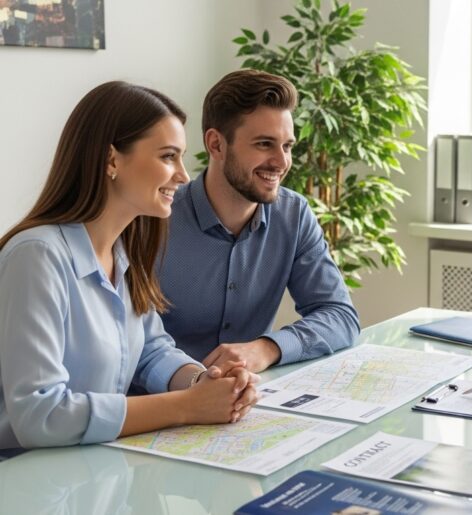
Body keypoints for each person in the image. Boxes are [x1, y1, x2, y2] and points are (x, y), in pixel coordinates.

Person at [0, 81, 258, 450]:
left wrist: (208, 383)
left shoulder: (125, 252)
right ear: (111, 160)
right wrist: (186, 407)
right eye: (168, 156)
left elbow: (149, 351)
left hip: (93, 471)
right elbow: (40, 416)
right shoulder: (37, 257)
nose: (184, 175)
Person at [157, 70, 360, 373]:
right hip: (163, 406)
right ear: (216, 145)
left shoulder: (293, 215)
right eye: (265, 144)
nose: (281, 162)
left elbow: (340, 315)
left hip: (247, 404)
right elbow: (130, 345)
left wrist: (268, 348)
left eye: (287, 146)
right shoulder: (156, 220)